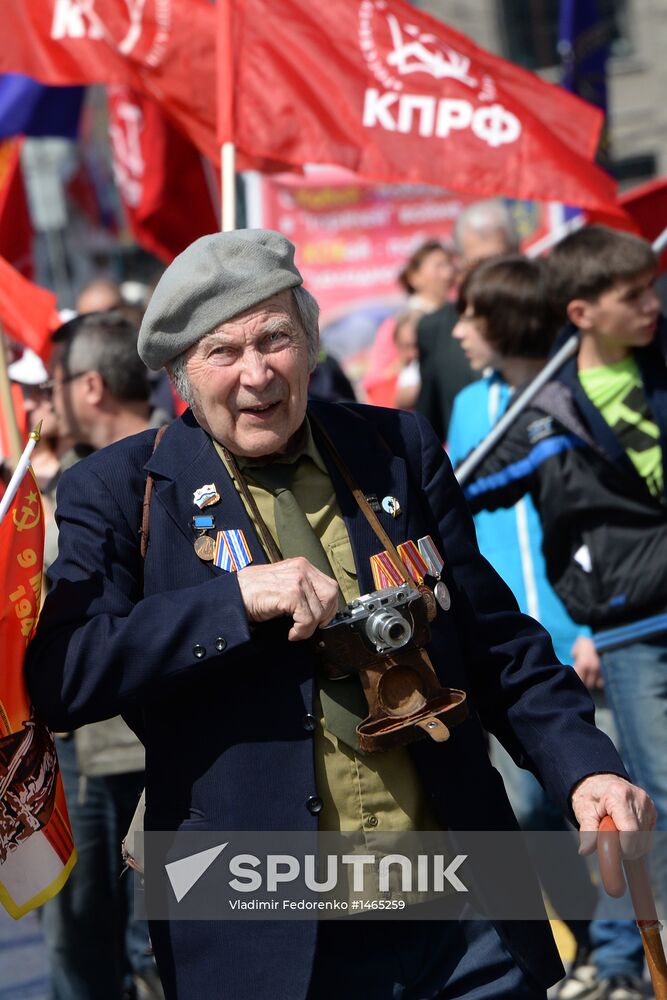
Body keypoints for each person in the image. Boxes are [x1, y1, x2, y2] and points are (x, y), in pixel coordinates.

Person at [26, 230, 654, 1000]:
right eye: (223, 352)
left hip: (462, 911)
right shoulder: (120, 490)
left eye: (275, 339)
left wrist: (584, 766)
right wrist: (233, 603)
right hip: (259, 923)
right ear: (179, 376)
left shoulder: (393, 446)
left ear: (312, 343)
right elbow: (64, 675)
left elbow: (493, 644)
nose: (256, 373)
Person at [447, 255, 647, 1000]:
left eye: (472, 316)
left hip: (582, 635)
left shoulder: (565, 398)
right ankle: (591, 939)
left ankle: (623, 953)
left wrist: (592, 626)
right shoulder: (472, 403)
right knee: (530, 807)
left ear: (505, 322)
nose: (459, 330)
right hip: (509, 643)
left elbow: (587, 524)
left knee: (610, 801)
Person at [38, 312, 163, 1000]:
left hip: (135, 753)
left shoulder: (180, 464)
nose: (44, 402)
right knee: (85, 937)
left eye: (52, 385)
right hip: (92, 751)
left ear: (88, 386)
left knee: (138, 950)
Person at [416, 199, 520, 442]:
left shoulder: (544, 321)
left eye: (500, 261)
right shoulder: (434, 329)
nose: (490, 275)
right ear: (461, 263)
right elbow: (429, 427)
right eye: (478, 264)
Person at [363, 240, 455, 407]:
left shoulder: (457, 319)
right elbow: (376, 381)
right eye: (439, 266)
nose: (448, 273)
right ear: (414, 277)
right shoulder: (395, 325)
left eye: (449, 265)